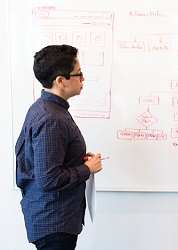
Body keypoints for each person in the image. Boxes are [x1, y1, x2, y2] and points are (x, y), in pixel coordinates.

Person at [15, 44, 103, 250]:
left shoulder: (47, 109)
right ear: (60, 81)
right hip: (54, 221)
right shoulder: (51, 119)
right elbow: (49, 178)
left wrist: (77, 159)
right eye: (79, 74)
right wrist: (86, 170)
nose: (83, 79)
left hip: (52, 218)